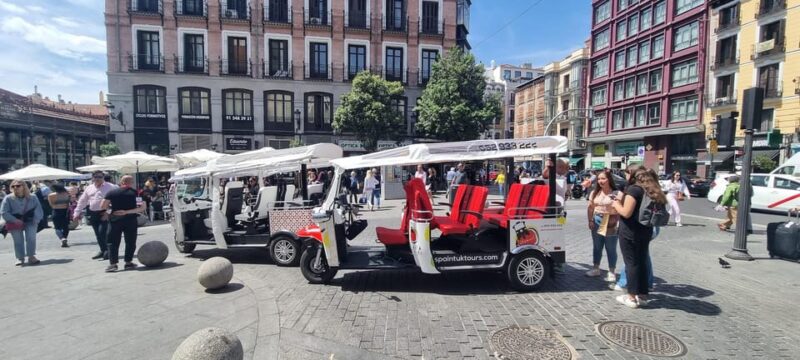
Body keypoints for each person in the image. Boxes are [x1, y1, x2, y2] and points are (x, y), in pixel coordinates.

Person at [611, 165, 667, 308]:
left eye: (627, 174)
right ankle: (642, 296)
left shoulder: (634, 190)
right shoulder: (651, 190)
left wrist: (616, 203)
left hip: (630, 232)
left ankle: (631, 297)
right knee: (641, 262)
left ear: (633, 175)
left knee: (631, 263)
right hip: (645, 231)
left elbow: (626, 212)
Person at [101, 175, 146, 272]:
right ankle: (128, 262)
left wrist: (111, 211)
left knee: (112, 242)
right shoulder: (137, 193)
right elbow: (142, 208)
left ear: (121, 182)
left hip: (115, 220)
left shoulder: (112, 192)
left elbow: (103, 205)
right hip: (130, 220)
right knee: (130, 241)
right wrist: (126, 212)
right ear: (132, 182)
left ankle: (113, 264)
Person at [73, 171, 118, 260]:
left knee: (102, 233)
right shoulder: (89, 188)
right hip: (93, 213)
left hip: (105, 213)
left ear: (103, 177)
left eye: (100, 177)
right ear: (92, 178)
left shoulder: (111, 187)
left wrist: (108, 212)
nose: (97, 179)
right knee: (97, 234)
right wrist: (76, 213)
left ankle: (108, 251)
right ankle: (103, 251)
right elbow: (83, 201)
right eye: (95, 177)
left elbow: (116, 201)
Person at [586, 170, 620, 282]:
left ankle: (611, 271)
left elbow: (621, 209)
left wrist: (618, 223)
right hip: (597, 219)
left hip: (610, 220)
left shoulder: (617, 193)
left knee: (611, 247)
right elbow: (590, 207)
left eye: (603, 178)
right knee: (597, 246)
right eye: (599, 179)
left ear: (609, 179)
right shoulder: (594, 193)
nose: (600, 181)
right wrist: (590, 220)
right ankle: (596, 268)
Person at [1, 180, 43, 266]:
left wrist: (36, 220)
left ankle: (31, 256)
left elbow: (38, 209)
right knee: (18, 240)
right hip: (14, 221)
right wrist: (14, 220)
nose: (15, 187)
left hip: (30, 220)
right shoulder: (8, 198)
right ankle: (20, 258)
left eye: (18, 186)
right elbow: (4, 212)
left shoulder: (33, 197)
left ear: (24, 186)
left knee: (31, 238)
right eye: (13, 186)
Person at [48, 183, 72, 248]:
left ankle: (62, 238)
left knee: (57, 227)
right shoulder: (67, 194)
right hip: (65, 211)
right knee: (66, 227)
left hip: (56, 211)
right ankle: (64, 239)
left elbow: (51, 204)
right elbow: (69, 202)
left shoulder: (51, 195)